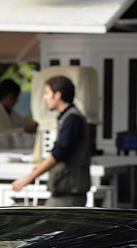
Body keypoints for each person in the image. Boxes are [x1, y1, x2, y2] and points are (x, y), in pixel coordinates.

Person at [11, 75, 91, 207]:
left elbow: (60, 153)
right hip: (65, 191)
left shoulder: (72, 119)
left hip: (69, 194)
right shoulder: (67, 117)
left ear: (57, 95)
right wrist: (42, 164)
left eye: (47, 93)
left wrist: (29, 178)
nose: (44, 98)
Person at [0, 78, 37, 148]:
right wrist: (24, 129)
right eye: (14, 97)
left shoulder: (10, 112)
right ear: (5, 95)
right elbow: (1, 133)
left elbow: (24, 121)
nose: (16, 100)